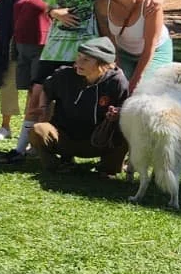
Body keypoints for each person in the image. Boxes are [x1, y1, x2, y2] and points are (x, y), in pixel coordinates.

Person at [1, 0, 64, 163]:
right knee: (30, 95)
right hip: (22, 45)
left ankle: (31, 147)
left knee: (40, 99)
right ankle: (30, 146)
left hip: (44, 47)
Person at [31, 37, 130, 178]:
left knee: (126, 131)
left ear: (102, 64)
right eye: (78, 57)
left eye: (86, 60)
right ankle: (57, 165)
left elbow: (125, 108)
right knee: (39, 130)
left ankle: (108, 169)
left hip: (98, 141)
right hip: (65, 137)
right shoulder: (64, 75)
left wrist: (117, 114)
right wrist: (43, 107)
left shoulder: (117, 82)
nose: (78, 62)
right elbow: (47, 89)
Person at [96, 0, 172, 92]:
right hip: (123, 52)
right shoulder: (103, 2)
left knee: (143, 90)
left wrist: (135, 82)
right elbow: (109, 39)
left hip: (155, 51)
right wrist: (117, 66)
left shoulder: (151, 3)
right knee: (115, 86)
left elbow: (150, 47)